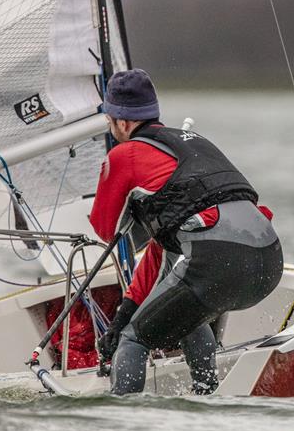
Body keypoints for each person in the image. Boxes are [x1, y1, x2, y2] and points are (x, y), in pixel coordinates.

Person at [89, 69, 283, 395]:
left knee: (134, 340)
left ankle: (123, 429)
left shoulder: (125, 154)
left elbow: (105, 229)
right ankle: (207, 400)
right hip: (269, 261)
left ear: (121, 123)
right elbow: (161, 250)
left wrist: (130, 204)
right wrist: (123, 315)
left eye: (110, 122)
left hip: (219, 260)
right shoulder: (195, 142)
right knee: (188, 316)